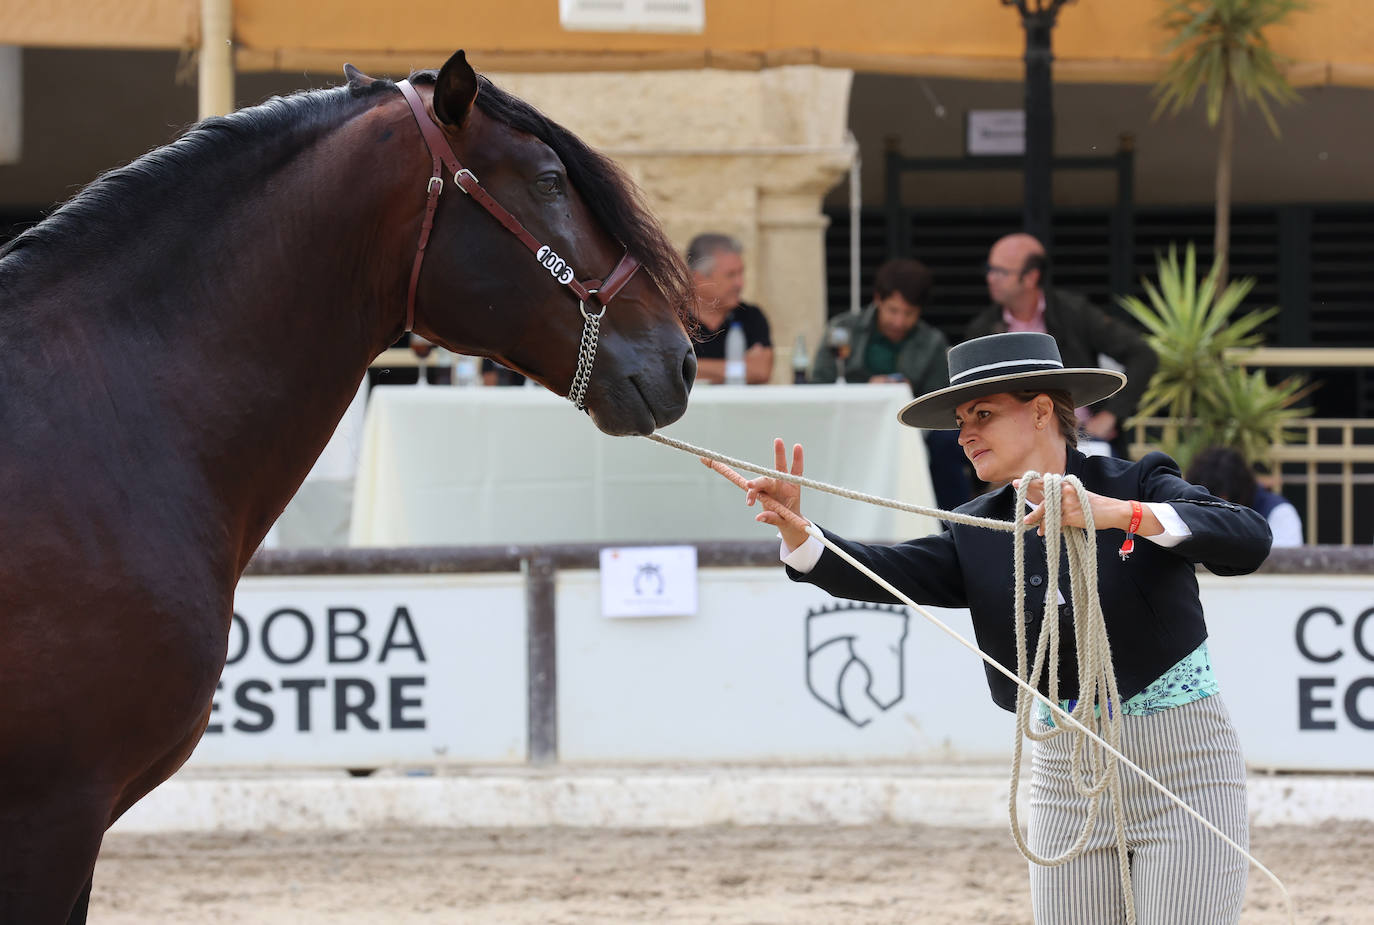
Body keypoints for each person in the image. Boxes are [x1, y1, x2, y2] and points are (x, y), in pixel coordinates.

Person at [713, 332, 1271, 924]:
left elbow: (1247, 537)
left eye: (982, 413)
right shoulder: (976, 528)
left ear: (1040, 411)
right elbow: (883, 572)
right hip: (1064, 779)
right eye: (960, 420)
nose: (965, 435)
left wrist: (1117, 515)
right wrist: (801, 534)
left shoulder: (1137, 482)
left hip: (1182, 773)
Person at [965, 233, 1157, 456]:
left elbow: (1143, 355)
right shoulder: (983, 328)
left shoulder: (1073, 312)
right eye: (989, 268)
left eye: (1001, 272)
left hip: (1080, 438)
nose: (991, 278)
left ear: (1031, 277)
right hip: (1011, 446)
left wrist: (1111, 415)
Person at [810, 257, 970, 508]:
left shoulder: (932, 342)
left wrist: (908, 397)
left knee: (948, 444)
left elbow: (942, 403)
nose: (899, 322)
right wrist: (866, 391)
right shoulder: (842, 329)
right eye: (893, 311)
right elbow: (818, 386)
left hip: (913, 434)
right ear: (878, 300)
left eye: (909, 314)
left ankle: (956, 523)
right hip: (851, 426)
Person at [687, 233, 773, 384]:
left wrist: (690, 367)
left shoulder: (751, 316)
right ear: (699, 279)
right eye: (731, 275)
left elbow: (760, 371)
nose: (740, 283)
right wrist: (741, 368)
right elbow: (661, 370)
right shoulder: (671, 318)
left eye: (741, 273)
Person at [1186, 446, 1303, 547]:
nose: (1217, 513)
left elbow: (1280, 565)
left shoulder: (1279, 512)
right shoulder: (1188, 510)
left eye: (1224, 503)